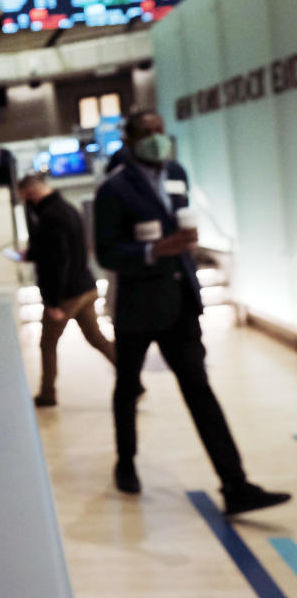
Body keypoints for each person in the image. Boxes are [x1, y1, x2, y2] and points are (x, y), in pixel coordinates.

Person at [93, 109, 290, 514]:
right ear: (129, 140)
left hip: (180, 303)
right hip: (137, 306)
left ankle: (235, 484)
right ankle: (126, 461)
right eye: (147, 133)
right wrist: (152, 250)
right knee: (127, 387)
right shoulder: (113, 189)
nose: (156, 140)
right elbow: (107, 251)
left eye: (160, 132)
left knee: (200, 391)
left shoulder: (177, 171)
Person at [18, 173, 116, 407]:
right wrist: (31, 254)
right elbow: (56, 250)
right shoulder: (67, 209)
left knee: (47, 344)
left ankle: (47, 394)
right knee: (97, 338)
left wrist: (53, 302)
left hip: (68, 294)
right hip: (85, 286)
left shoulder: (50, 217)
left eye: (25, 198)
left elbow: (57, 262)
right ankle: (133, 380)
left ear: (31, 194)